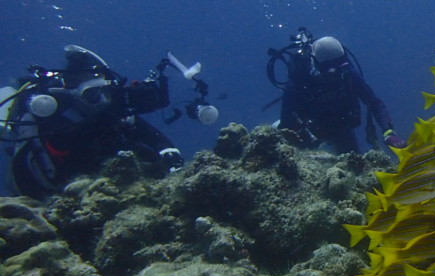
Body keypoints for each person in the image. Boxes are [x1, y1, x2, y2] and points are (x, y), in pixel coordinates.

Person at [1, 45, 216, 199]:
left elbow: (149, 133)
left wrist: (169, 153)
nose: (101, 100)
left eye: (104, 92)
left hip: (112, 189)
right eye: (93, 95)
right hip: (49, 195)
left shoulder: (110, 113)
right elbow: (32, 170)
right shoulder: (52, 116)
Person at [268, 28, 407, 154]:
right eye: (331, 71)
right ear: (317, 64)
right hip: (309, 129)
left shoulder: (348, 74)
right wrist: (309, 141)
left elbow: (374, 102)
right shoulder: (300, 80)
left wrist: (388, 132)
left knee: (353, 164)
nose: (338, 74)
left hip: (341, 127)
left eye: (342, 66)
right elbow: (287, 120)